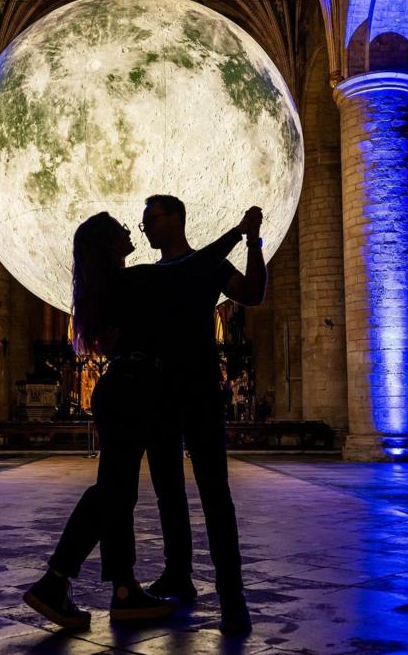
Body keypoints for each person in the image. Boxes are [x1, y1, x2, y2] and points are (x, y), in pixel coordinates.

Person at [22, 208, 260, 630]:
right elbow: (187, 269)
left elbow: (194, 275)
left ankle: (120, 589)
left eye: (144, 220)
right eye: (123, 228)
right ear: (108, 244)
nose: (134, 229)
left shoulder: (113, 284)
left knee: (117, 494)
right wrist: (237, 233)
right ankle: (63, 581)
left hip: (131, 392)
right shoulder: (132, 280)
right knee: (114, 493)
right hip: (131, 393)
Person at [139, 194, 266, 636]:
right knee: (168, 492)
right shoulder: (158, 274)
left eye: (151, 219)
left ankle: (232, 595)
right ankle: (178, 574)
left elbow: (252, 293)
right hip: (159, 394)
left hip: (199, 391)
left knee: (215, 493)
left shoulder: (208, 266)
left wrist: (253, 244)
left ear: (175, 219)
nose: (145, 228)